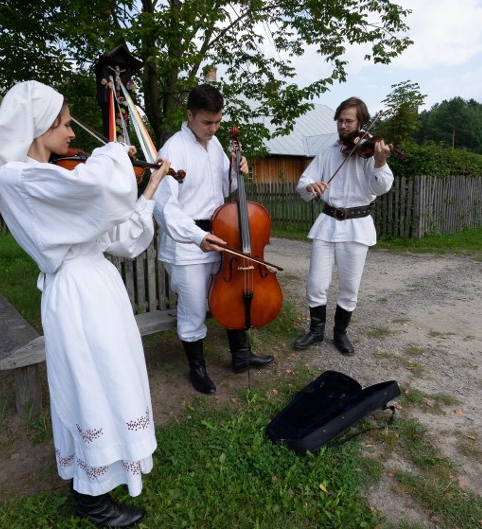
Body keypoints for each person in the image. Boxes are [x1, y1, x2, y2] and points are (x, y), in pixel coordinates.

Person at [0, 80, 170, 528]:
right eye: (65, 124)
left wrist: (149, 188)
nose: (72, 134)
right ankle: (91, 498)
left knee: (112, 380)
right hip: (76, 294)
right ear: (39, 125)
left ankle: (102, 477)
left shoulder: (53, 179)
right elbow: (99, 189)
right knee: (89, 386)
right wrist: (113, 152)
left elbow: (115, 234)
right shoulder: (19, 178)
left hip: (97, 286)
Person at [152, 84, 274, 395]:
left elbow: (225, 187)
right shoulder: (172, 150)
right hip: (187, 244)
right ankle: (198, 369)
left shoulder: (217, 144)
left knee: (233, 295)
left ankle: (241, 357)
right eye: (207, 122)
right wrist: (197, 236)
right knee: (193, 308)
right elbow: (164, 207)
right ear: (189, 115)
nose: (214, 128)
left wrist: (237, 169)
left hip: (221, 236)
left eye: (218, 122)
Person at [293, 96, 395, 356]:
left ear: (361, 123)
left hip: (357, 226)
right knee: (316, 284)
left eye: (348, 121)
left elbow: (380, 186)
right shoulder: (328, 153)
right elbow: (303, 182)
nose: (342, 125)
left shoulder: (370, 153)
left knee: (349, 287)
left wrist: (380, 163)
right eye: (340, 120)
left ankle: (340, 334)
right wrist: (310, 186)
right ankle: (316, 332)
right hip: (327, 223)